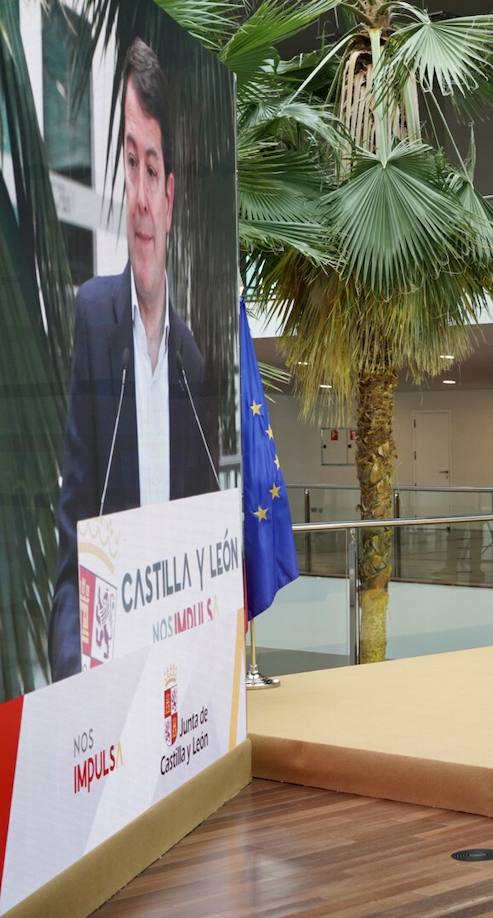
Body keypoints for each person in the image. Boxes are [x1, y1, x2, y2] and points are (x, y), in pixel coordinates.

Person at [49, 38, 217, 682]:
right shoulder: (94, 318)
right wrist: (77, 680)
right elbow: (71, 563)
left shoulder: (194, 362)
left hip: (175, 678)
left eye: (153, 169)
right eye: (130, 163)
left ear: (170, 197)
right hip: (104, 674)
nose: (141, 198)